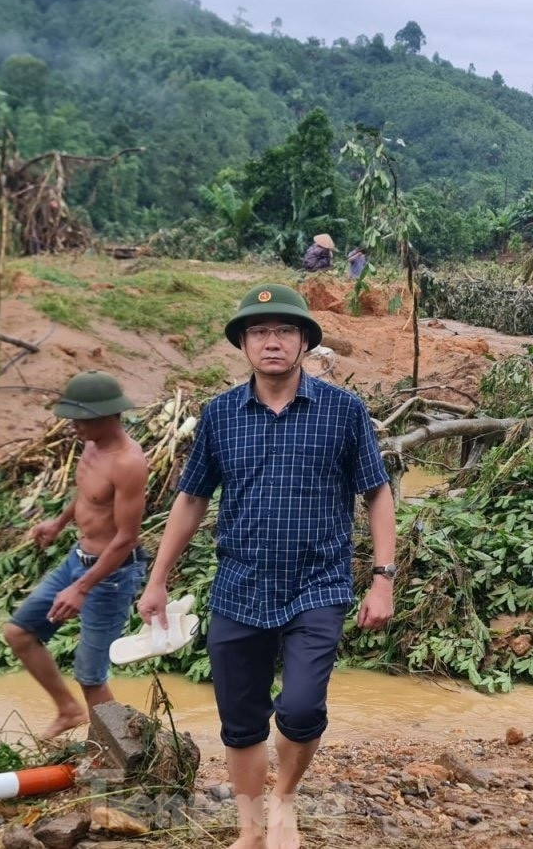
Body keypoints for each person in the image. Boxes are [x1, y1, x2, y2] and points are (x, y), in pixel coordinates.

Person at [136, 283, 397, 849]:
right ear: (244, 344)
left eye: (283, 331)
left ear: (304, 340)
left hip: (317, 585)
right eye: (259, 332)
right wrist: (157, 581)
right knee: (241, 722)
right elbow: (191, 499)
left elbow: (377, 494)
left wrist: (383, 579)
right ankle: (252, 828)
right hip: (239, 587)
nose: (271, 341)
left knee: (302, 710)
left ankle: (285, 798)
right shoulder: (221, 415)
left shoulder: (344, 411)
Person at [4, 371, 149, 738]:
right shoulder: (91, 445)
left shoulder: (128, 463)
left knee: (90, 675)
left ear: (108, 416)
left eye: (81, 419)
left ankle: (120, 753)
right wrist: (58, 522)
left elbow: (126, 538)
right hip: (77, 558)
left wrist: (82, 588)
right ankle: (69, 711)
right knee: (19, 633)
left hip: (112, 576)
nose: (73, 426)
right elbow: (88, 496)